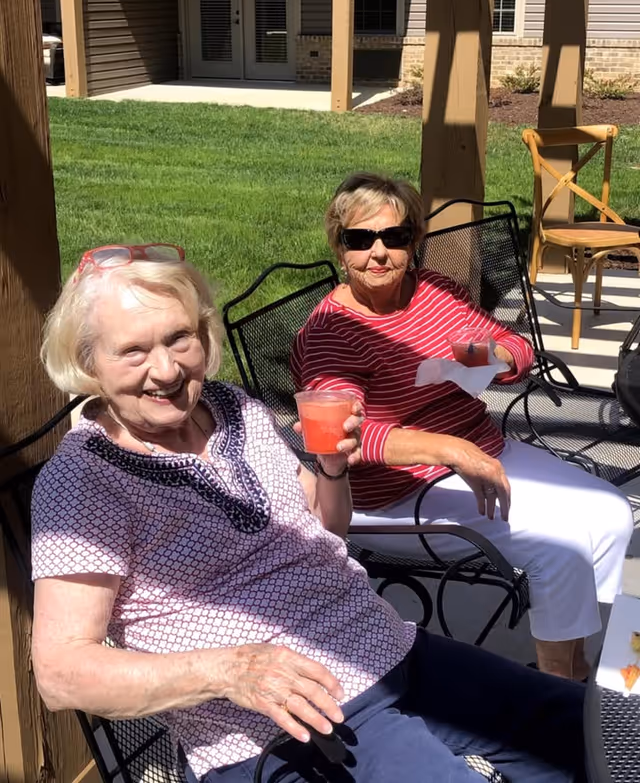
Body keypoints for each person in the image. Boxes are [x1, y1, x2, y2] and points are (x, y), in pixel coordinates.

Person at [31, 243, 586, 783]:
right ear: (88, 363)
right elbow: (61, 674)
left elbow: (325, 529)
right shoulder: (85, 481)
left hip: (387, 647)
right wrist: (227, 670)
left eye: (180, 339)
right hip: (285, 727)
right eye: (133, 352)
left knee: (597, 727)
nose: (167, 370)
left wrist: (332, 468)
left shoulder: (233, 409)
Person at [292, 172, 634, 681]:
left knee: (611, 514)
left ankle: (583, 668)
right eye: (360, 240)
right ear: (339, 247)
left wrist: (488, 356)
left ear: (416, 241)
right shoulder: (330, 334)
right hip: (396, 495)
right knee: (560, 549)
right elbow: (346, 438)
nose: (379, 253)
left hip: (480, 451)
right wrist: (451, 450)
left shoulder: (433, 291)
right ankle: (558, 701)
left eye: (396, 237)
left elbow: (513, 346)